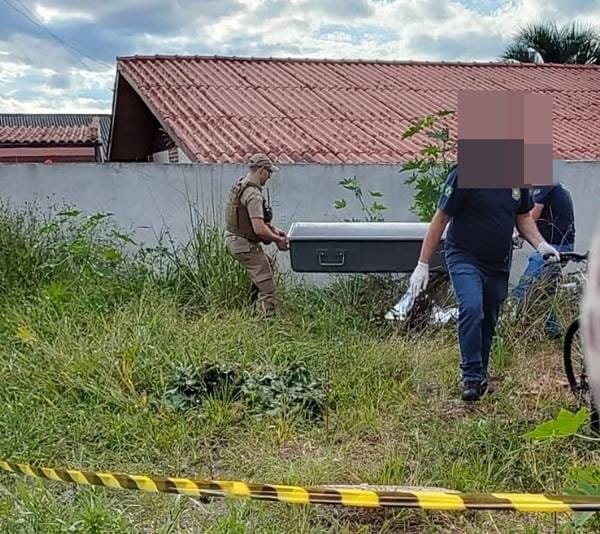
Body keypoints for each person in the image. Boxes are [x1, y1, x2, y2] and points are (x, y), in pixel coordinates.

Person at [408, 165, 560, 402]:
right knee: (472, 307)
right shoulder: (465, 174)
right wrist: (422, 263)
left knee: (489, 318)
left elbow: (523, 218)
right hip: (464, 256)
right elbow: (440, 219)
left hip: (497, 263)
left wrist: (541, 245)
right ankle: (470, 376)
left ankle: (480, 375)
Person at [225, 153, 288, 316]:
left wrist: (274, 231)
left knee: (267, 264)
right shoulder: (253, 194)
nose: (269, 177)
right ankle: (265, 324)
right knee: (269, 288)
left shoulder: (241, 186)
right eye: (269, 172)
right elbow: (259, 228)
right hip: (244, 244)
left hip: (235, 240)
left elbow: (250, 222)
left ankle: (251, 310)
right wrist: (278, 240)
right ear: (261, 170)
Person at [513, 183, 576, 338]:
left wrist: (515, 234)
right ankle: (553, 330)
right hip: (556, 244)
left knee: (524, 289)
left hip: (555, 247)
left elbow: (530, 217)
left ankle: (515, 334)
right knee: (546, 289)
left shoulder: (544, 185)